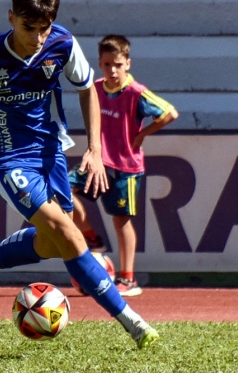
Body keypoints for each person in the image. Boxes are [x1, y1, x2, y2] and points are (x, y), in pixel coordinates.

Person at [0, 0, 158, 349]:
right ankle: (133, 323)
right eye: (28, 27)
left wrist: (94, 149)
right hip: (7, 159)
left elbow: (86, 89)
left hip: (51, 152)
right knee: (69, 233)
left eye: (43, 28)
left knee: (50, 244)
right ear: (11, 17)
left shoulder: (62, 43)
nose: (36, 37)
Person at [69, 34, 179, 297]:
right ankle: (91, 237)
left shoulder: (135, 92)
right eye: (107, 64)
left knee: (121, 221)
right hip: (97, 163)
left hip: (125, 167)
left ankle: (128, 278)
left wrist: (142, 134)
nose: (112, 70)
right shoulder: (95, 88)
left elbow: (169, 113)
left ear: (127, 63)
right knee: (60, 190)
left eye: (117, 64)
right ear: (100, 64)